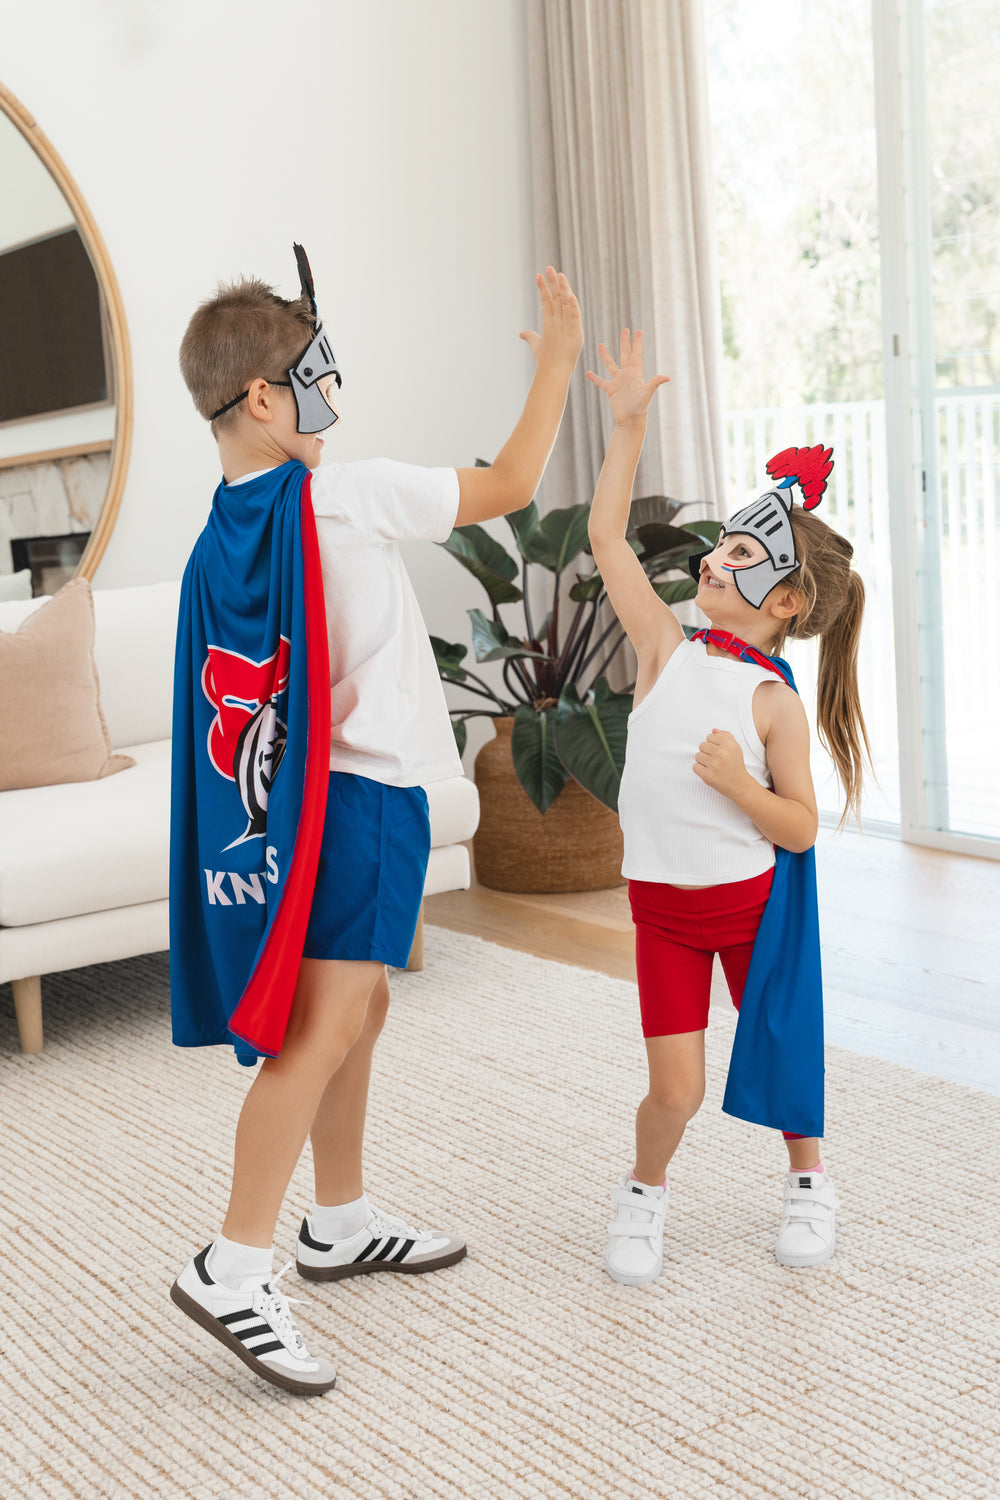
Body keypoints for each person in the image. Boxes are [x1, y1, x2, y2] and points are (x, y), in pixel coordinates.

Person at [168, 248, 583, 1394]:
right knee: (327, 1023)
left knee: (362, 1005)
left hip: (323, 805)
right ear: (264, 398)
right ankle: (234, 1262)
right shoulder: (339, 493)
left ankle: (337, 1220)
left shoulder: (222, 530)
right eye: (317, 374)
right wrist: (555, 363)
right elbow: (506, 482)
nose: (332, 397)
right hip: (368, 797)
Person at [585, 329, 869, 1286]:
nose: (713, 560)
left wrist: (739, 786)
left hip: (748, 913)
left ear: (784, 600)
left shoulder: (772, 703)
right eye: (720, 546)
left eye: (741, 554)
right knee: (676, 1088)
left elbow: (798, 827)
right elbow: (603, 539)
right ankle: (643, 1191)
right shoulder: (663, 647)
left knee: (782, 1050)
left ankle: (808, 1180)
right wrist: (627, 429)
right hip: (661, 912)